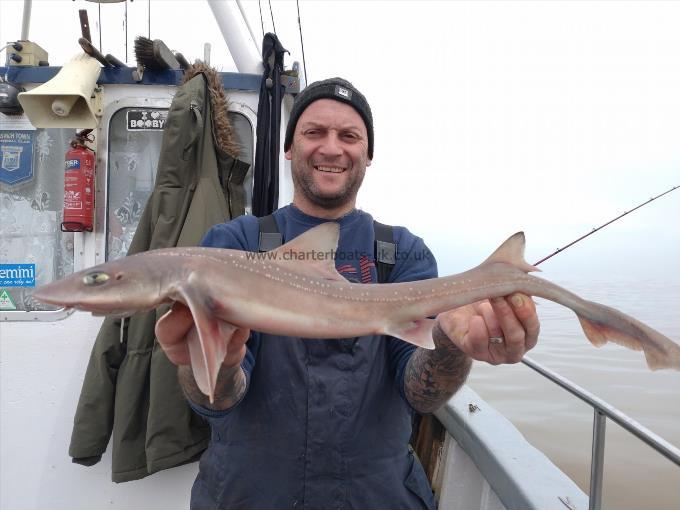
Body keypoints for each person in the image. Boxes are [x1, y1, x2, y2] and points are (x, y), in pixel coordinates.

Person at [155, 77, 540, 509]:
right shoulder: (235, 245)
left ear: (368, 154)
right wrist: (214, 365)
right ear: (289, 147)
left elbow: (420, 393)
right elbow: (215, 402)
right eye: (314, 132)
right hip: (251, 495)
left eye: (349, 136)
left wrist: (452, 346)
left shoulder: (402, 254)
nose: (332, 148)